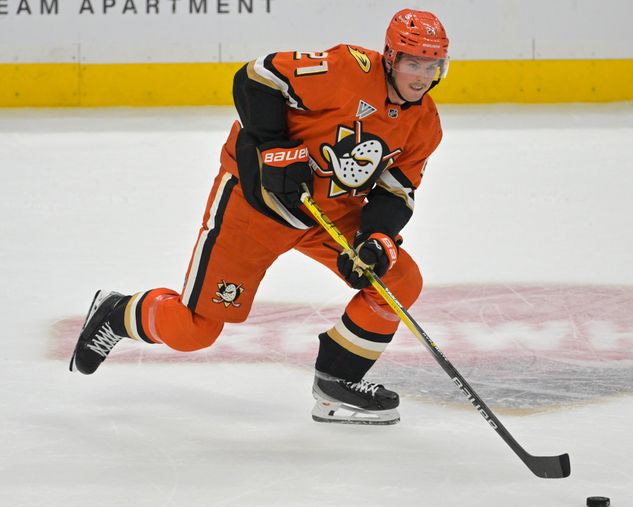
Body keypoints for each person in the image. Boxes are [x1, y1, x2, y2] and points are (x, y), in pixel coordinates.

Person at [69, 9, 449, 425]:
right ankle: (118, 312)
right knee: (194, 330)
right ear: (391, 58)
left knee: (398, 279)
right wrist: (273, 147)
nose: (422, 76)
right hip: (257, 206)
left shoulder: (425, 124)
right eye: (414, 63)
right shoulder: (346, 69)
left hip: (328, 213)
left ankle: (337, 380)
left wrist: (375, 238)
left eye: (433, 66)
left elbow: (397, 192)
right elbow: (256, 78)